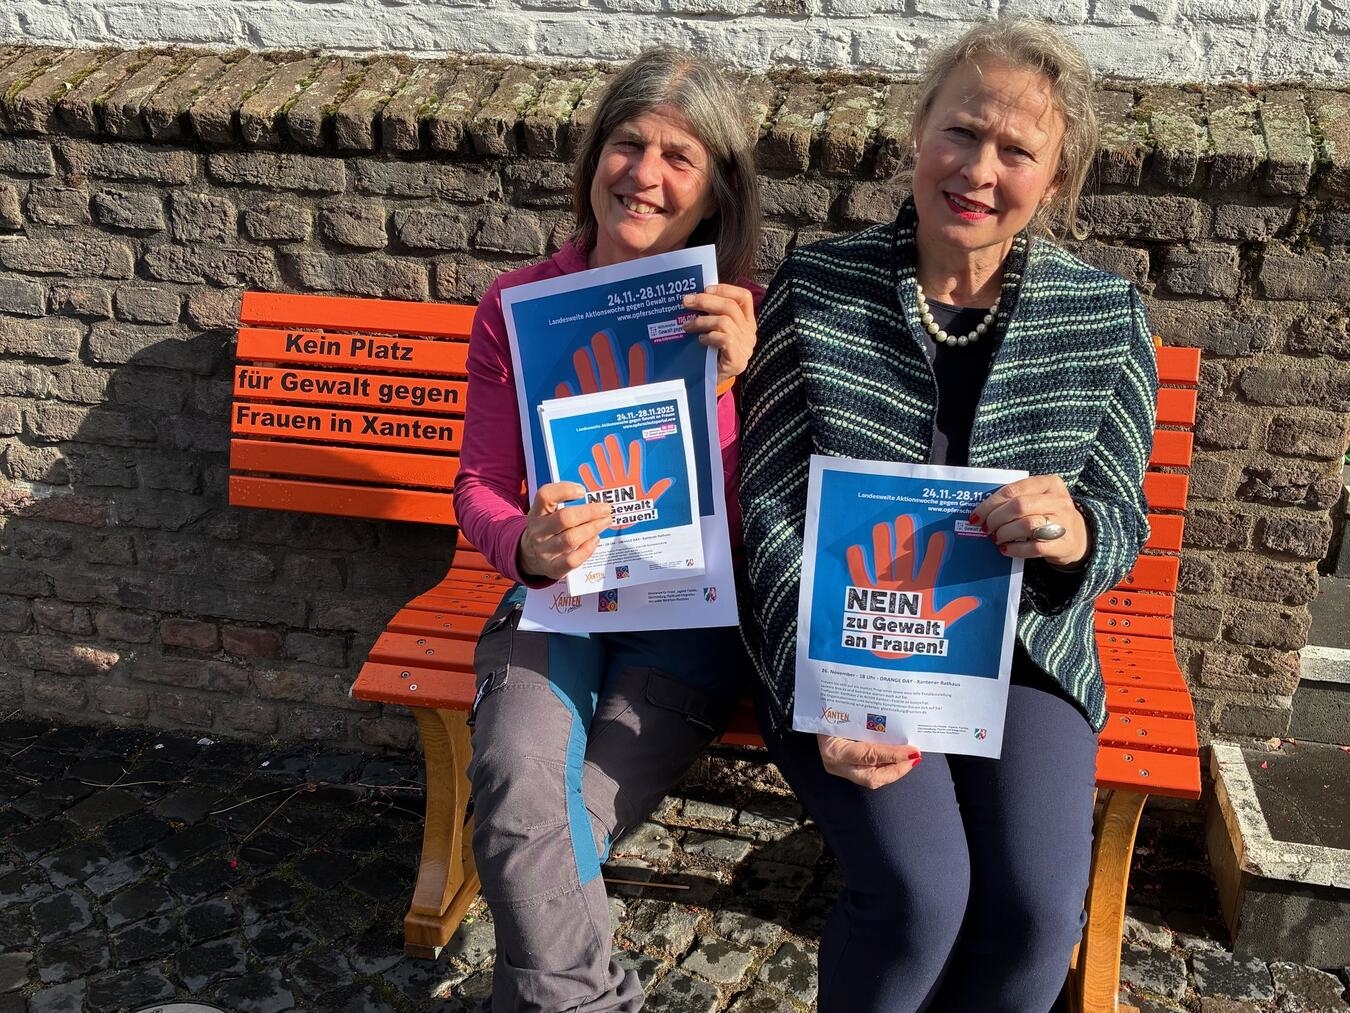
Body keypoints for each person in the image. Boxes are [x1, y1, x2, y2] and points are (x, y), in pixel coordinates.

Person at [738, 19, 1158, 1013]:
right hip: (852, 642)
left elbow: (1118, 514)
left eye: (1016, 151)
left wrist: (1074, 533)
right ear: (916, 131)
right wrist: (831, 683)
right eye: (961, 131)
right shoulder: (820, 286)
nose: (978, 168)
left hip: (1024, 648)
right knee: (925, 893)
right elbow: (765, 504)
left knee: (1034, 915)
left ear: (1053, 181)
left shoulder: (1103, 313)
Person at [452, 47, 763, 1013]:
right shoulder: (518, 305)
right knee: (513, 778)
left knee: (549, 827)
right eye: (628, 143)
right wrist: (522, 543)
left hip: (690, 622)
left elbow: (786, 508)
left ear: (714, 193)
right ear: (593, 161)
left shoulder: (745, 315)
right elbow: (480, 486)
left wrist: (743, 381)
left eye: (681, 156)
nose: (646, 172)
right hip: (558, 598)